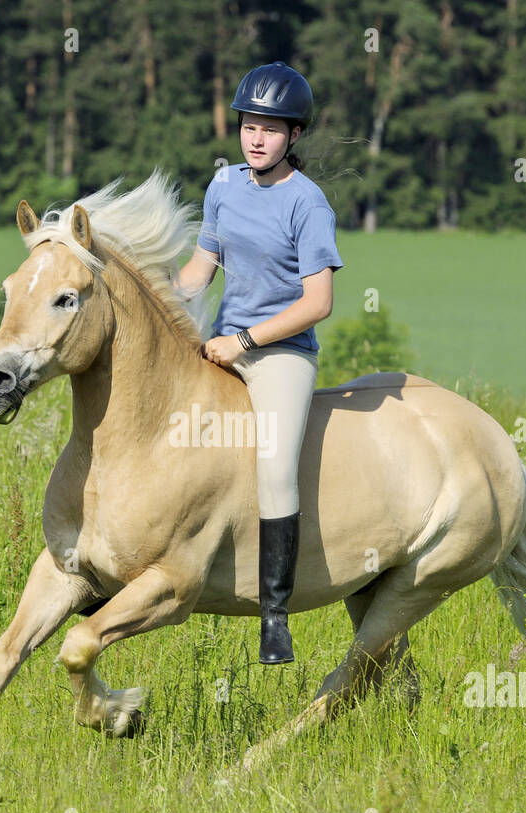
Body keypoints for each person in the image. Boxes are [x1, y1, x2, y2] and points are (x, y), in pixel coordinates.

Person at [174, 61, 343, 665]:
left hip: (278, 355)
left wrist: (245, 342)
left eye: (271, 128)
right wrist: (161, 298)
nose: (256, 137)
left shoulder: (308, 203)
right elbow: (202, 268)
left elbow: (318, 302)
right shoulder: (222, 186)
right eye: (250, 124)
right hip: (220, 343)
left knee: (274, 465)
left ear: (294, 135)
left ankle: (274, 615)